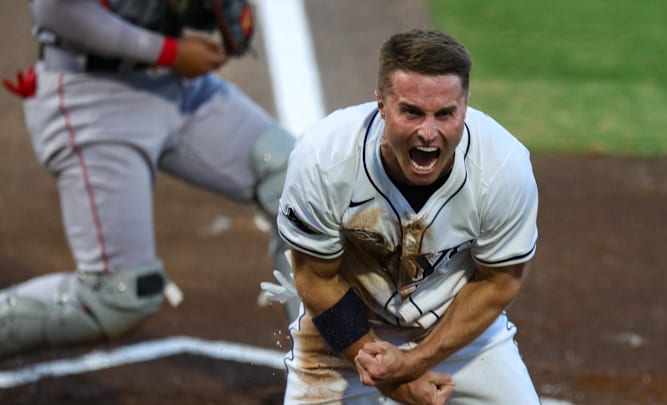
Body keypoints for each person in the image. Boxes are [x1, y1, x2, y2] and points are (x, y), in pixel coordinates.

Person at [0, 0, 299, 357]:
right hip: (92, 100)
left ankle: (318, 377)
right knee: (118, 297)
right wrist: (169, 51)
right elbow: (56, 12)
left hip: (175, 87)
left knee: (297, 186)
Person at [274, 29, 541, 404]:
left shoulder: (503, 168)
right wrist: (391, 379)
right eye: (411, 112)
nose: (428, 133)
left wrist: (414, 362)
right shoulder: (324, 157)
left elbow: (498, 282)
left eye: (445, 114)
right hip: (346, 327)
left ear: (465, 107)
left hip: (457, 328)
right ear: (381, 105)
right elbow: (316, 278)